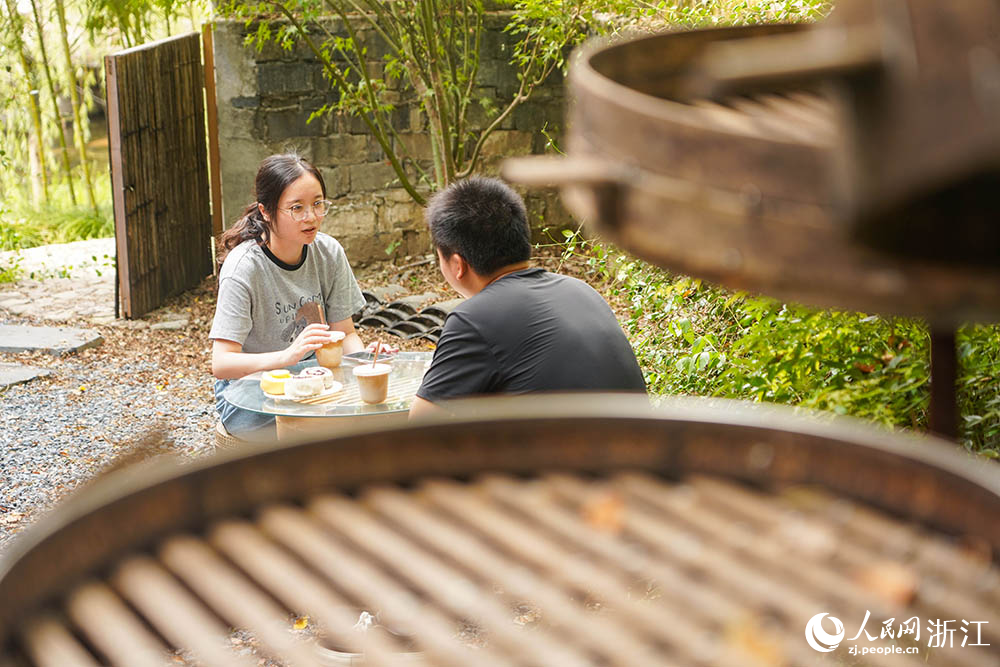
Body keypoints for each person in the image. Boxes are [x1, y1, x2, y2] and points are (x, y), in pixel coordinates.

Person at [410, 176, 646, 418]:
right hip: (644, 439)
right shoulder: (582, 291)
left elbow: (420, 424)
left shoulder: (475, 319)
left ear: (457, 265)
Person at [209, 153, 367, 440]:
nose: (311, 217)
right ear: (266, 212)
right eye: (297, 208)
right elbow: (222, 364)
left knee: (375, 416)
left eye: (318, 204)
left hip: (314, 384)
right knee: (323, 434)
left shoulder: (329, 253)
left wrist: (366, 363)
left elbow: (345, 334)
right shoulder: (243, 268)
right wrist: (287, 357)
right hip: (251, 394)